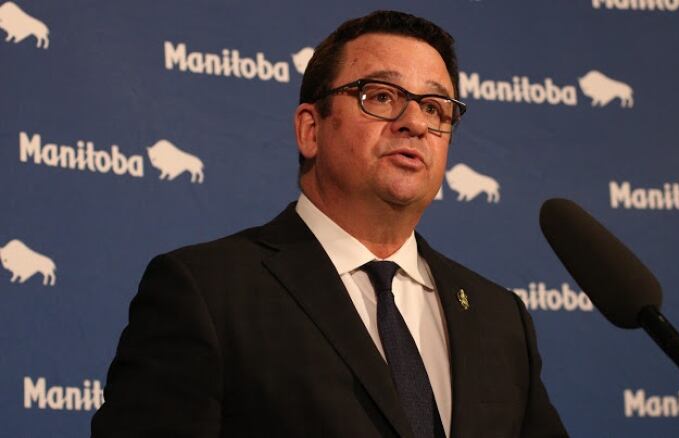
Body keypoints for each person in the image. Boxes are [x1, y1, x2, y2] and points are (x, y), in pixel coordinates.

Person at [92, 10, 567, 438]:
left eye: (434, 108)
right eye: (381, 96)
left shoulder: (499, 317)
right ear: (310, 129)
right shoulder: (207, 292)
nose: (415, 123)